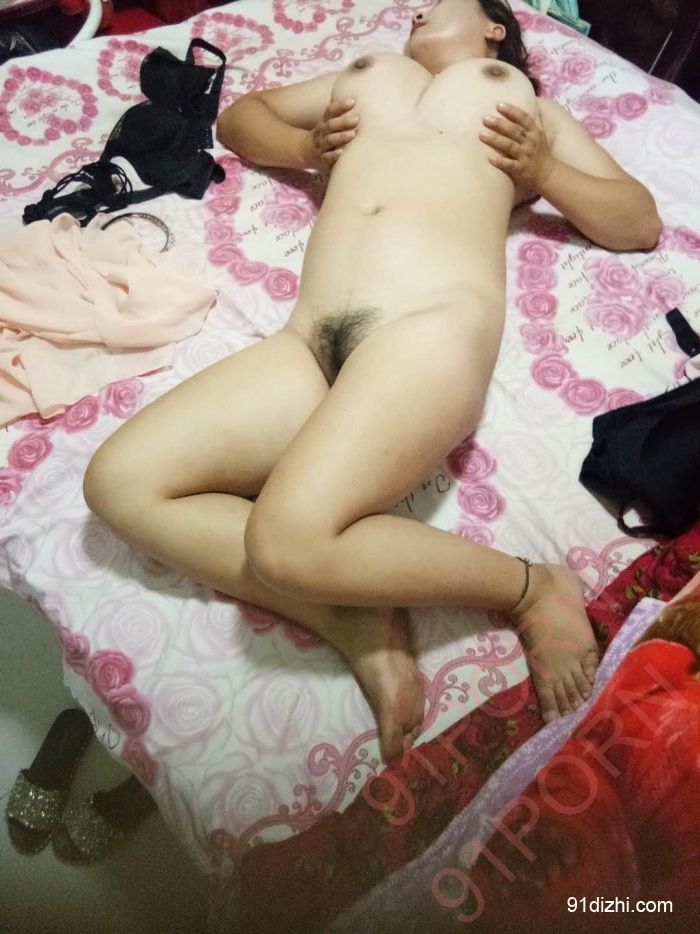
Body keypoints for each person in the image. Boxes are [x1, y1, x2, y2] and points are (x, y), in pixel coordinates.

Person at [82, 0, 662, 762]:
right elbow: (242, 119)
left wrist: (544, 172)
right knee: (118, 482)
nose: (417, 9)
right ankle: (344, 613)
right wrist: (304, 145)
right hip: (308, 339)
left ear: (495, 25)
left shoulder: (523, 105)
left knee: (286, 537)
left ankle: (531, 587)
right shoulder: (371, 74)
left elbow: (638, 220)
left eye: (442, 2)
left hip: (429, 328)